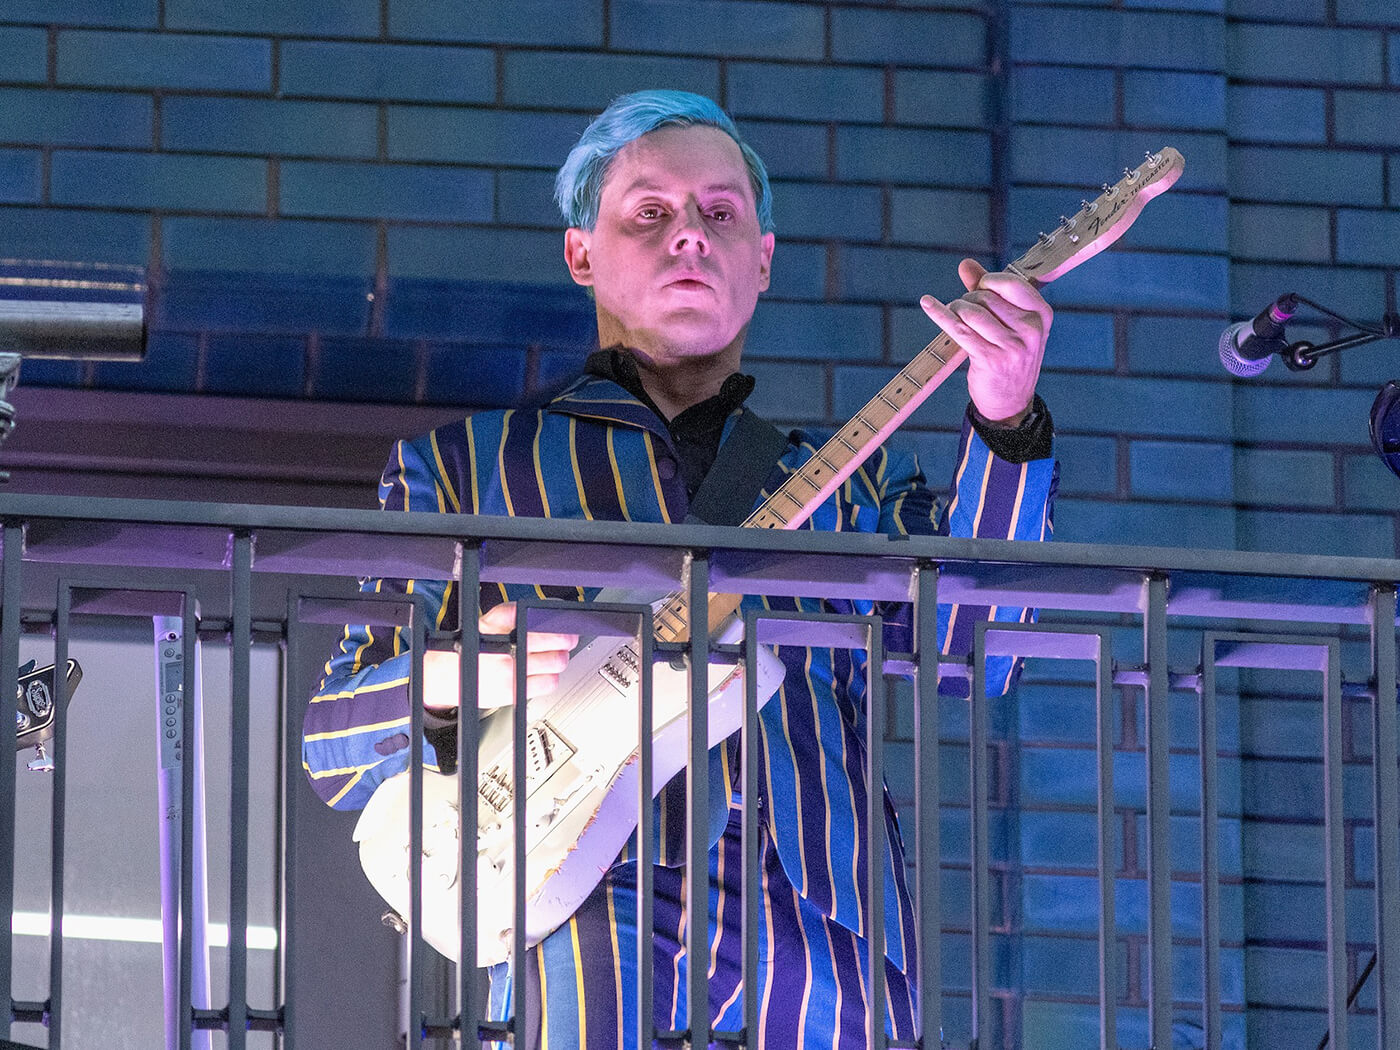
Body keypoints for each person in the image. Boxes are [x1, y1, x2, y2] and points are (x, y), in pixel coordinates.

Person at [302, 90, 1057, 1048]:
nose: (690, 236)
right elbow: (334, 742)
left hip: (821, 913)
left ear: (764, 261)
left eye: (720, 213)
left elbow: (971, 652)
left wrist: (1004, 420)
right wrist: (455, 675)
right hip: (581, 894)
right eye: (650, 212)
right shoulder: (463, 469)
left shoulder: (847, 485)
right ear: (582, 254)